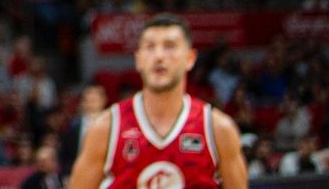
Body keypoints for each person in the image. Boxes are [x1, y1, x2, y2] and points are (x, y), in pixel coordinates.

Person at [68, 15, 247, 189]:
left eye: (170, 46)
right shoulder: (106, 128)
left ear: (190, 58)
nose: (159, 56)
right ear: (138, 59)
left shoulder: (218, 129)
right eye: (150, 47)